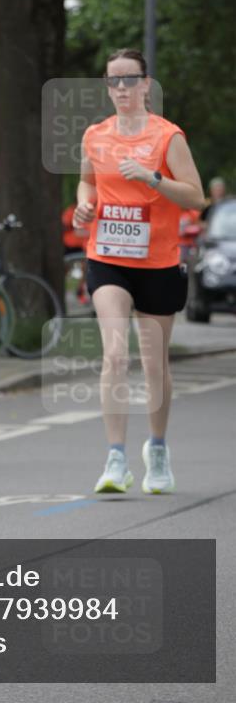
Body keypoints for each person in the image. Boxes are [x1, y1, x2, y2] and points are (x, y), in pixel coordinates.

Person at [73, 49, 204, 495]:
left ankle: (158, 448)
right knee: (114, 354)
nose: (122, 88)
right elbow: (87, 181)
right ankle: (115, 458)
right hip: (107, 256)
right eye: (114, 81)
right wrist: (84, 206)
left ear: (147, 84)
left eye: (130, 79)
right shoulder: (95, 135)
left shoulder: (168, 137)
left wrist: (152, 178)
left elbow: (196, 197)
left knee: (154, 363)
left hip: (158, 262)